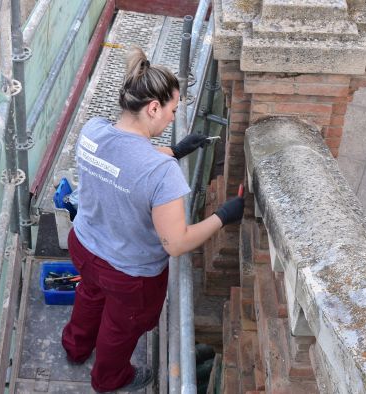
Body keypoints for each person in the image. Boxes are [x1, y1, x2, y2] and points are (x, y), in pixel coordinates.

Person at [61, 47, 244, 393]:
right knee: (120, 326)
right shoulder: (162, 174)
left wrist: (175, 150)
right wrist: (224, 215)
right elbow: (175, 243)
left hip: (84, 245)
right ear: (153, 107)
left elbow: (124, 157)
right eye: (173, 110)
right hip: (128, 272)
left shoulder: (93, 131)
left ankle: (75, 346)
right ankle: (109, 379)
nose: (173, 119)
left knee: (89, 294)